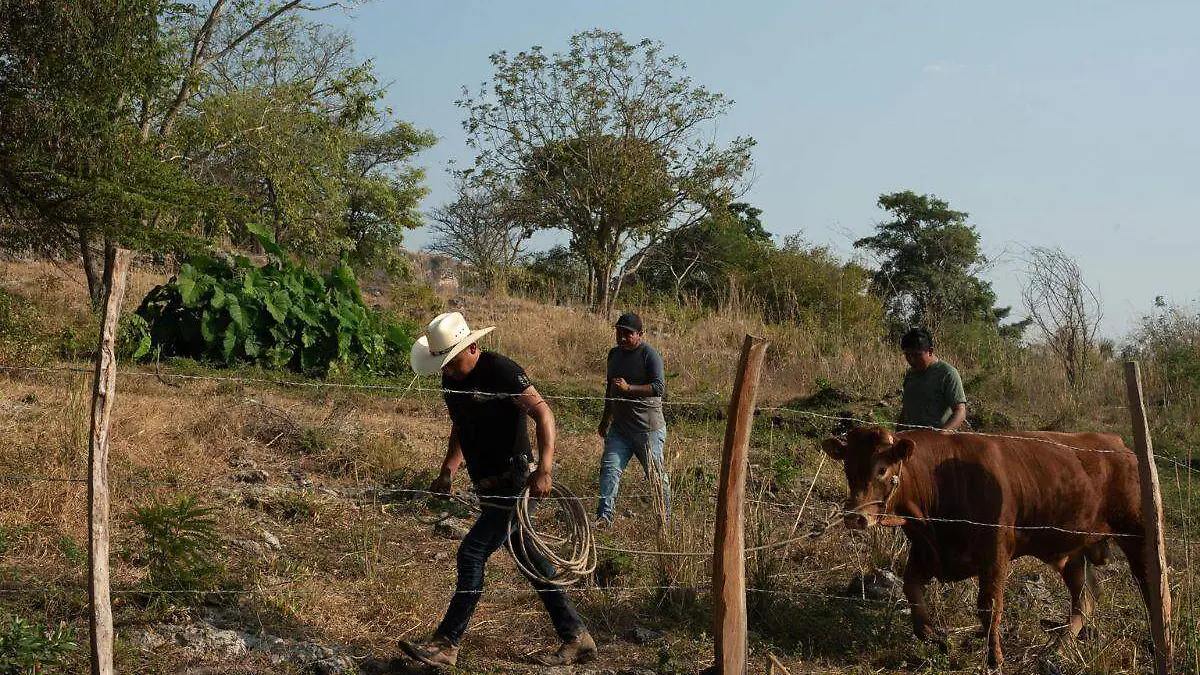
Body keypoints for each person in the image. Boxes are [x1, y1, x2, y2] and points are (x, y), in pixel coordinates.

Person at [398, 312, 596, 668]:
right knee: (528, 559)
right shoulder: (452, 382)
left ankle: (447, 643)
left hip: (515, 481)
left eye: (451, 361)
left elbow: (544, 415)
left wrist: (545, 470)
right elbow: (460, 427)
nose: (447, 370)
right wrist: (448, 470)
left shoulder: (501, 371)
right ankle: (575, 635)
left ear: (471, 347)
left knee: (471, 553)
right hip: (487, 485)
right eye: (442, 363)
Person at [595, 312, 670, 527]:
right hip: (620, 429)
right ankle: (604, 518)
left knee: (656, 478)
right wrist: (605, 418)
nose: (622, 338)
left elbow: (659, 388)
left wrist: (629, 389)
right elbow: (609, 387)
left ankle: (664, 521)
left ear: (640, 334)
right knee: (609, 470)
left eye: (628, 334)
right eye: (619, 333)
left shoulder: (650, 355)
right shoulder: (613, 355)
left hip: (648, 430)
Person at [897, 326, 967, 431]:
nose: (911, 360)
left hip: (938, 442)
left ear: (930, 351)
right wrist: (898, 434)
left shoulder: (947, 373)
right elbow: (906, 410)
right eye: (907, 355)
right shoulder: (910, 375)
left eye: (917, 355)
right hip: (913, 440)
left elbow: (960, 412)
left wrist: (942, 435)